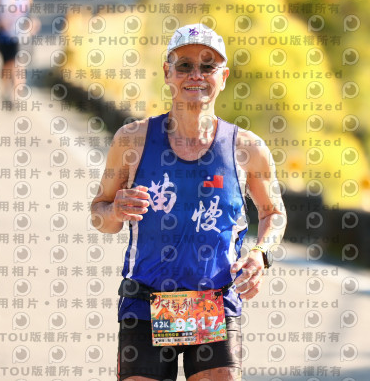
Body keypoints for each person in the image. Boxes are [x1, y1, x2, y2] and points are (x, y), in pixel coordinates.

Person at [90, 23, 287, 381]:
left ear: (223, 77)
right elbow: (99, 214)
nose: (196, 75)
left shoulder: (248, 149)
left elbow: (273, 213)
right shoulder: (132, 140)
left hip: (213, 301)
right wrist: (115, 209)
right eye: (185, 66)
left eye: (208, 66)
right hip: (146, 301)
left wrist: (261, 253)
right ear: (168, 73)